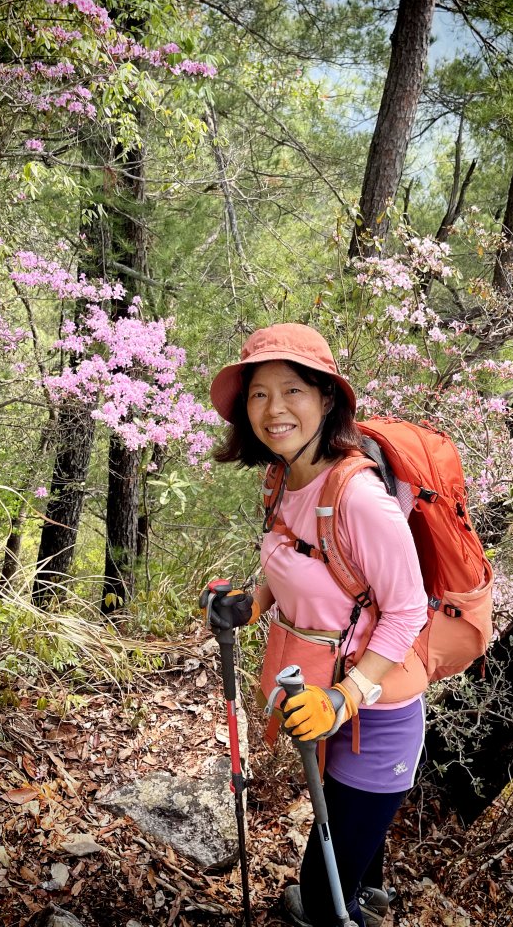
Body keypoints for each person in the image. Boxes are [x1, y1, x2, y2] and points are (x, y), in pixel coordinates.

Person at [206, 323, 428, 927]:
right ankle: (365, 894)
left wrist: (344, 697)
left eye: (292, 390)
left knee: (321, 893)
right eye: (257, 393)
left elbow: (409, 608)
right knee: (349, 853)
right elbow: (296, 569)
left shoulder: (358, 498)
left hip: (374, 718)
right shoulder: (282, 478)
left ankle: (343, 906)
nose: (273, 409)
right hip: (323, 700)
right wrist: (249, 604)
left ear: (326, 398)